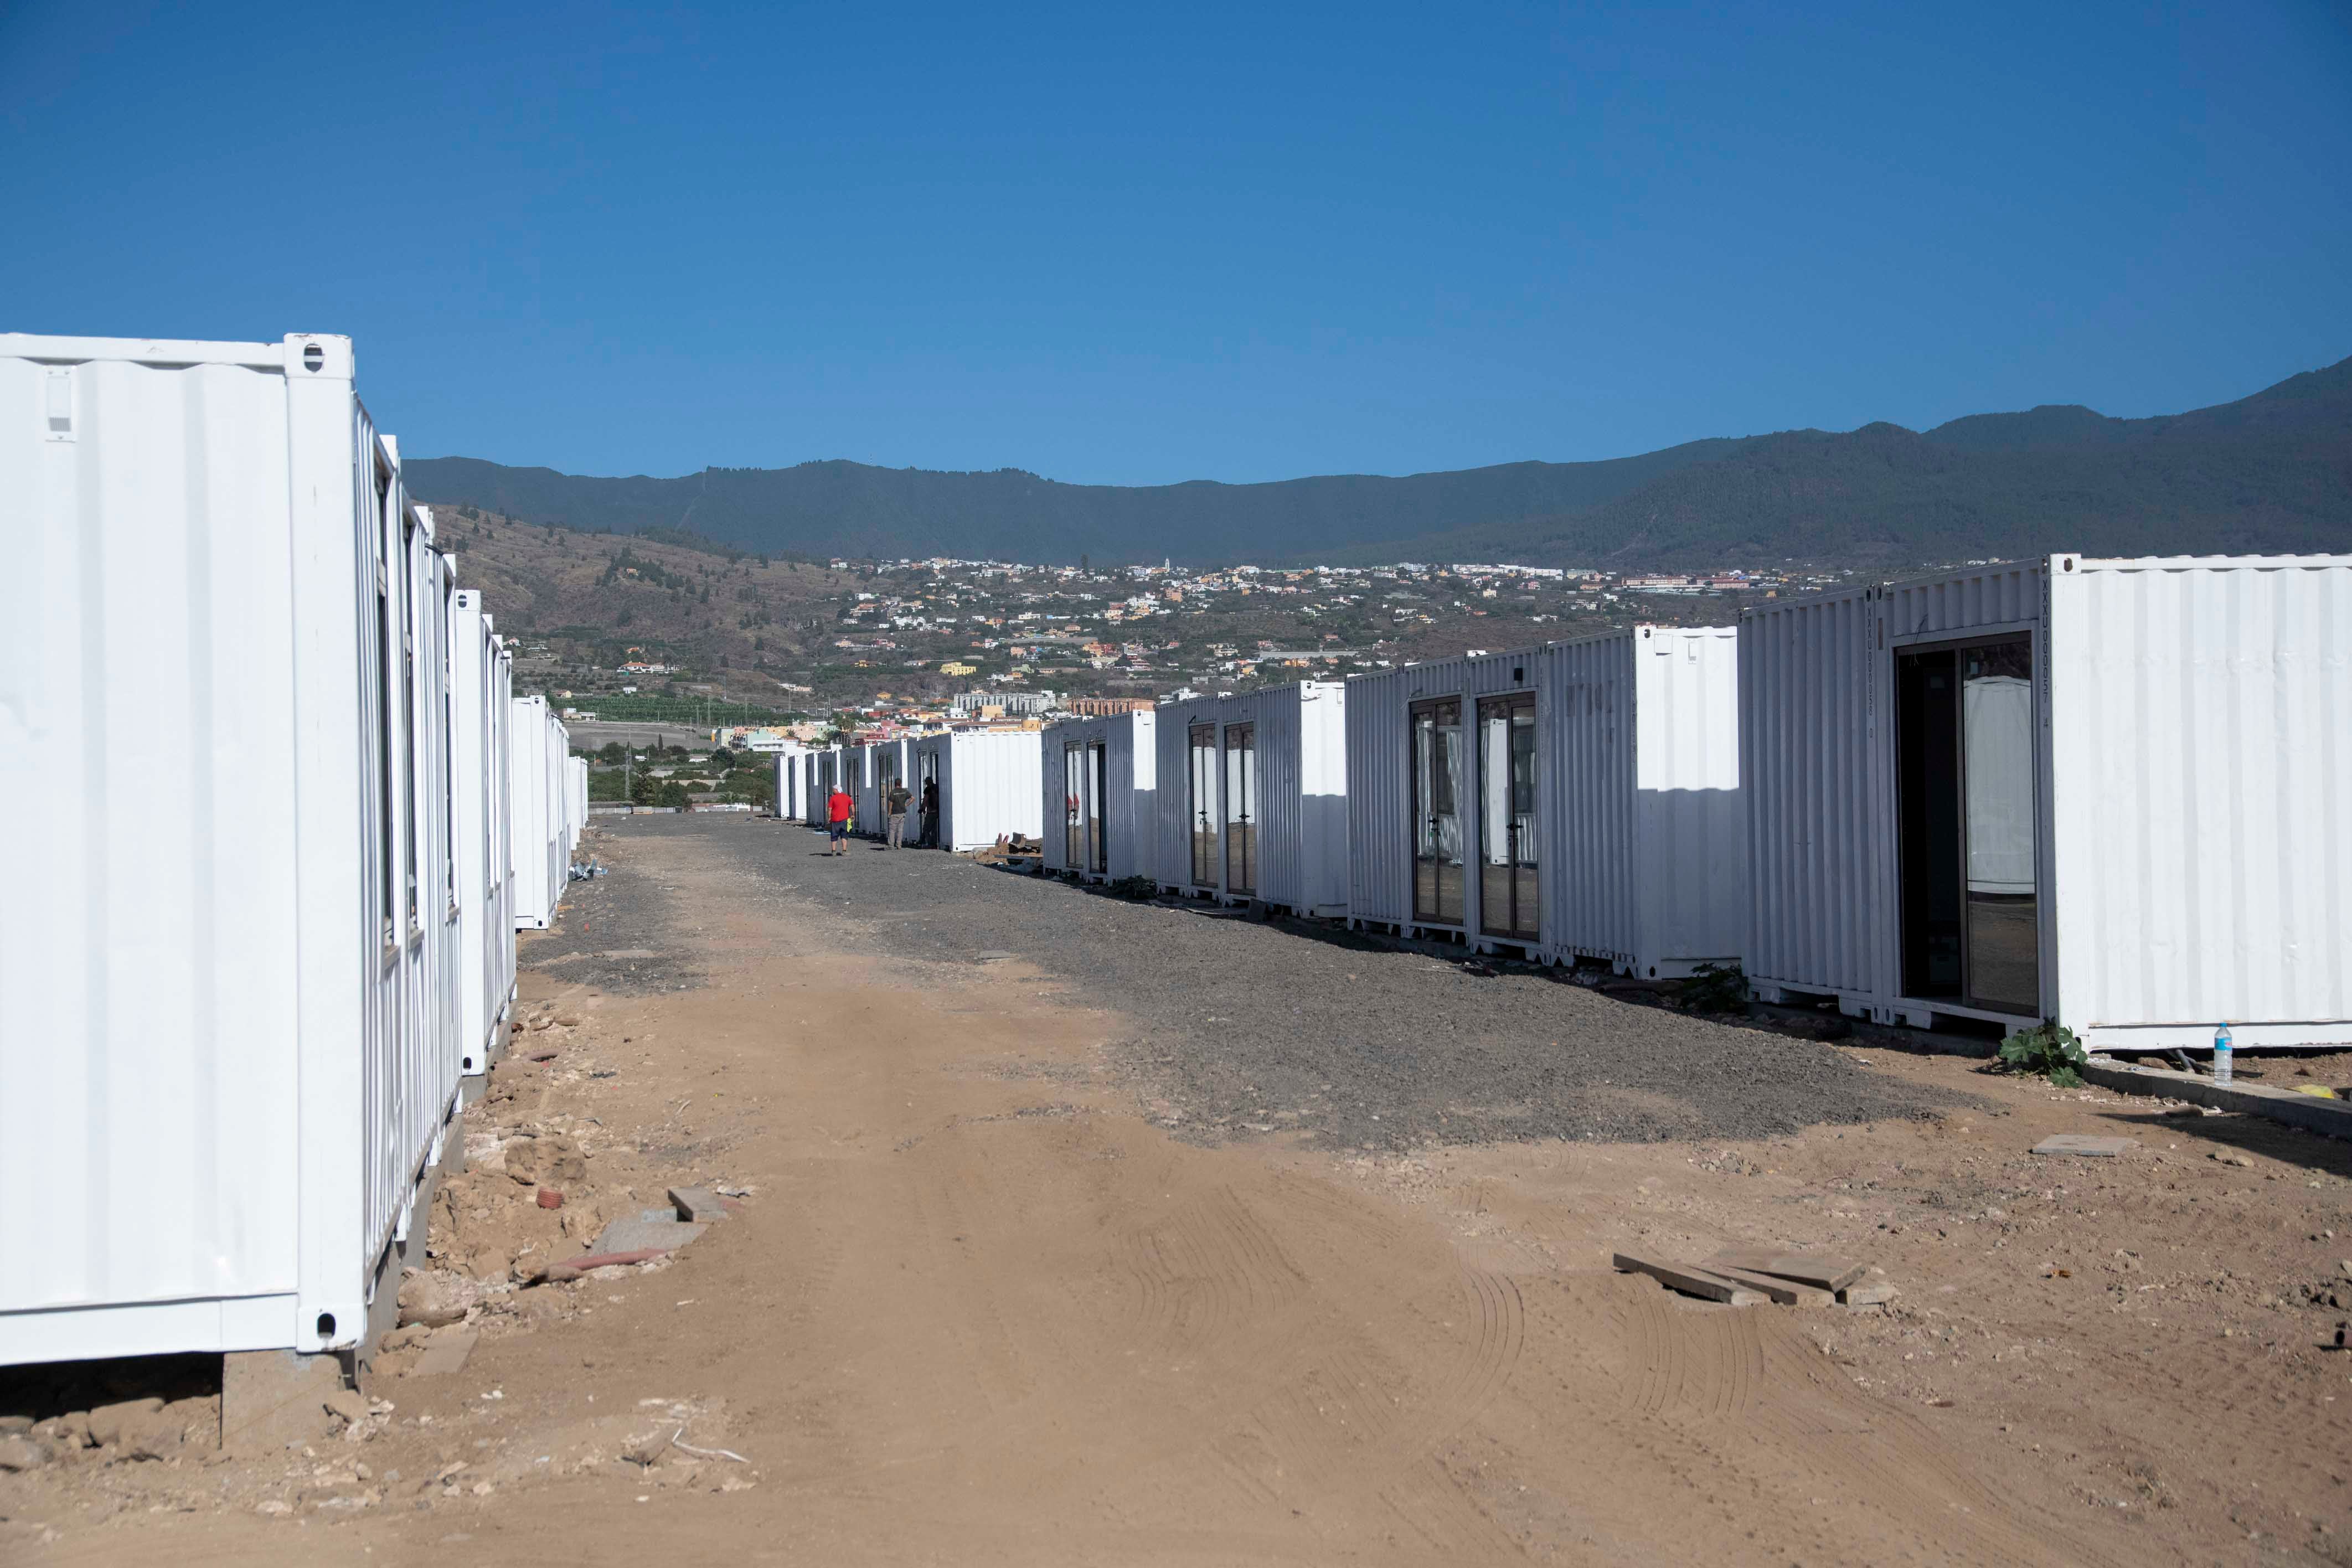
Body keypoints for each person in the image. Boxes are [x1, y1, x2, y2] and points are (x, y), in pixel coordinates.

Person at [885, 776, 913, 849]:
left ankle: (891, 845)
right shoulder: (905, 791)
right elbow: (913, 798)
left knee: (892, 830)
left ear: (895, 784)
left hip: (895, 813)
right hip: (902, 813)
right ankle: (899, 845)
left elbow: (891, 803)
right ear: (901, 784)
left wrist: (889, 812)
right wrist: (907, 804)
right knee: (900, 830)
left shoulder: (893, 792)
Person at [826, 784, 853, 855]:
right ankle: (844, 851)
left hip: (835, 820)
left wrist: (829, 817)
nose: (833, 791)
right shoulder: (847, 797)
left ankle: (834, 851)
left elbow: (829, 809)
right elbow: (852, 806)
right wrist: (853, 815)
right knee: (844, 835)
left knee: (834, 836)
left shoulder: (833, 798)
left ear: (837, 790)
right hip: (845, 820)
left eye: (834, 790)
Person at [919, 777, 940, 848]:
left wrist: (922, 809)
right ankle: (934, 843)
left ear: (927, 782)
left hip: (930, 812)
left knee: (926, 829)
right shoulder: (937, 787)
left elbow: (925, 800)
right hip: (937, 812)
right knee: (934, 829)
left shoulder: (928, 790)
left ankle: (930, 843)